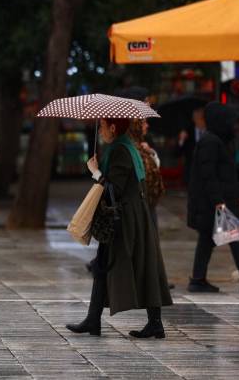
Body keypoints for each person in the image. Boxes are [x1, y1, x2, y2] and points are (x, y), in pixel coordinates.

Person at [66, 117, 172, 339]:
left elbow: (115, 188)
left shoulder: (121, 151)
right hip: (131, 216)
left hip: (126, 219)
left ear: (113, 127)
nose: (101, 130)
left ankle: (154, 322)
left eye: (103, 126)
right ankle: (94, 320)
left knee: (135, 266)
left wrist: (95, 172)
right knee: (107, 265)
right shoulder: (125, 147)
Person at [186, 102, 239, 293]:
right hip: (216, 203)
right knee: (233, 236)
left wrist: (236, 195)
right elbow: (208, 175)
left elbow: (228, 172)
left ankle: (199, 279)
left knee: (211, 239)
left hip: (222, 201)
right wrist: (219, 201)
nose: (233, 125)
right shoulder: (210, 142)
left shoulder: (220, 140)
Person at [178, 107, 206, 186]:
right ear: (193, 119)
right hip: (191, 173)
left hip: (206, 173)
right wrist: (181, 140)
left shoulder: (209, 131)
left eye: (201, 117)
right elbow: (176, 153)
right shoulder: (188, 132)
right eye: (196, 117)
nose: (199, 120)